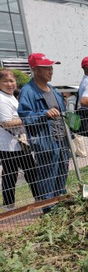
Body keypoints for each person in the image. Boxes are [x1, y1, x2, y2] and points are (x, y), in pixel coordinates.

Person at [18, 53, 69, 203]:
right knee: (47, 176)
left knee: (61, 172)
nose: (50, 71)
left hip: (60, 138)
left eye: (51, 67)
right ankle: (48, 207)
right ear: (35, 70)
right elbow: (25, 116)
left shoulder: (52, 89)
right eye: (46, 68)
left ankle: (61, 202)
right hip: (45, 142)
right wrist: (44, 113)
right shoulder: (28, 91)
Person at [0, 69, 40, 209]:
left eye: (12, 80)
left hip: (17, 143)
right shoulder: (2, 99)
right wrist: (28, 119)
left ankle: (10, 204)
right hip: (9, 145)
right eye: (5, 81)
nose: (10, 84)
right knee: (22, 174)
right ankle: (38, 200)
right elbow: (6, 123)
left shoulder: (10, 96)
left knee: (15, 174)